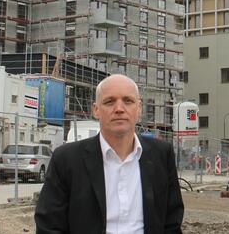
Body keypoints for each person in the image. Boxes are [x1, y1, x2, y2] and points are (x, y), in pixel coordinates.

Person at [35, 74, 184, 234]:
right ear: (96, 110)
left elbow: (172, 222)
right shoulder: (66, 159)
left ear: (139, 108)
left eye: (128, 101)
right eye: (109, 101)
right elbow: (48, 226)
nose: (119, 109)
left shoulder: (162, 155)